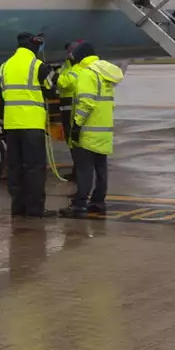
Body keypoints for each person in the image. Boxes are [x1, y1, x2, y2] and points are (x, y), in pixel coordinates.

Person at [57, 40, 122, 218]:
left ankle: (79, 204)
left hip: (88, 129)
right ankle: (98, 202)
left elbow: (86, 102)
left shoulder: (87, 74)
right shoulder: (104, 74)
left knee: (84, 169)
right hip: (103, 130)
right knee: (101, 168)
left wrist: (77, 125)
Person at [0, 32, 48, 218]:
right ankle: (35, 210)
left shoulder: (5, 66)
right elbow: (51, 89)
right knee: (34, 168)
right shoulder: (37, 65)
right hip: (32, 124)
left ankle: (17, 208)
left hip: (12, 124)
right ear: (34, 46)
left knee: (15, 167)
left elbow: (3, 95)